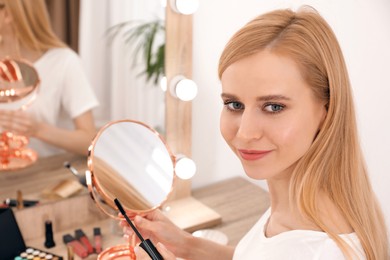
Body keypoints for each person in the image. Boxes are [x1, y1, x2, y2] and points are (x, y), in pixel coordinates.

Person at [120, 6, 389, 260]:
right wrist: (187, 245)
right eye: (234, 104)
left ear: (326, 111)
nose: (245, 133)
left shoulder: (318, 249)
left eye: (274, 107)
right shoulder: (299, 201)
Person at [0, 0, 98, 157]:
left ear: (7, 14)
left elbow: (90, 142)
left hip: (41, 175)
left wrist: (38, 129)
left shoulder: (63, 62)